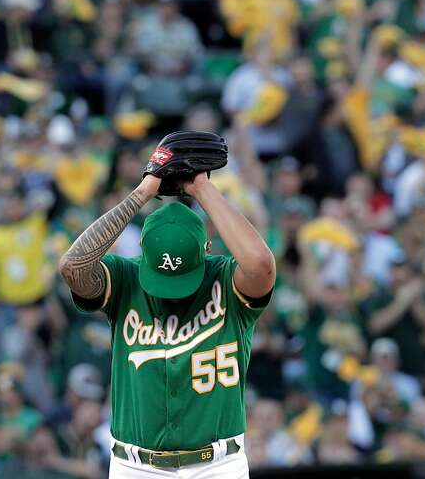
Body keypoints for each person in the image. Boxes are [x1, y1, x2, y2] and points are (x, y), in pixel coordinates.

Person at [58, 143, 276, 477]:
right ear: (142, 253)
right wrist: (142, 192)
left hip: (217, 466)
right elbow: (73, 267)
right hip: (136, 466)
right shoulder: (126, 277)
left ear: (207, 249)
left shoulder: (227, 279)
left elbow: (262, 264)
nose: (171, 290)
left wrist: (203, 189)